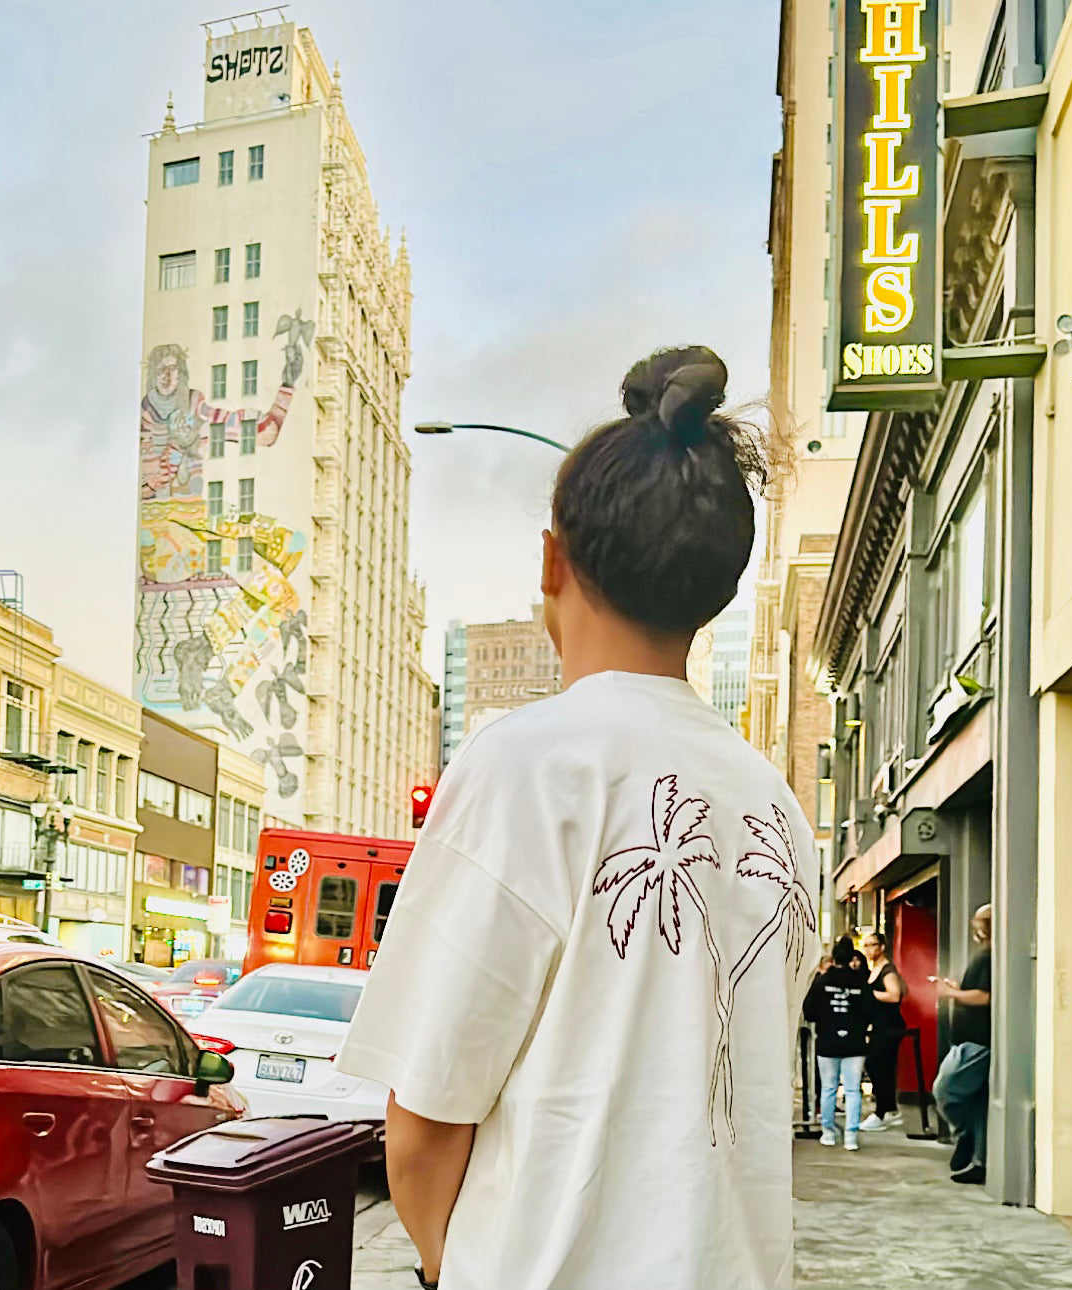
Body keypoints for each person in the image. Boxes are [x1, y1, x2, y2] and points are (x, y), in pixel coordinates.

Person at [335, 347, 818, 1290]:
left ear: (552, 559)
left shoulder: (528, 764)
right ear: (716, 584)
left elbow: (428, 1116)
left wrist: (451, 1267)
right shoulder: (777, 806)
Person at [932, 904, 993, 1185]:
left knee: (945, 1089)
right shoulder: (985, 957)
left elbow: (983, 997)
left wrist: (949, 993)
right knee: (977, 1103)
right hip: (971, 1039)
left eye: (978, 922)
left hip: (976, 1042)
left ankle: (965, 1134)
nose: (974, 928)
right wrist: (954, 989)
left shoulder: (988, 957)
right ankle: (979, 1158)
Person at [802, 934, 872, 1151]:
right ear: (852, 956)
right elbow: (870, 1011)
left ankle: (828, 1132)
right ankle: (851, 1136)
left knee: (829, 1088)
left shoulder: (822, 981)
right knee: (852, 1090)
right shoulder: (860, 982)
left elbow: (810, 1012)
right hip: (855, 1043)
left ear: (833, 957)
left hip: (827, 1041)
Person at [859, 932, 907, 1130]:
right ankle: (889, 1109)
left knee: (879, 1066)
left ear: (881, 947)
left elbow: (895, 995)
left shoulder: (888, 971)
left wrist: (871, 994)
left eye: (872, 945)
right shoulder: (875, 969)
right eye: (866, 945)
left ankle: (882, 1112)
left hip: (889, 1027)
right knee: (878, 1066)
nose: (869, 949)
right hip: (879, 1026)